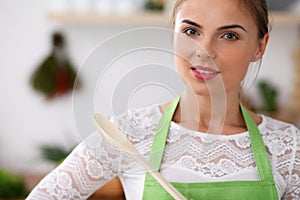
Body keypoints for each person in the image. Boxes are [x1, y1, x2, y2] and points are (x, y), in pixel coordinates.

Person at [27, 0, 300, 199]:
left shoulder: (288, 148)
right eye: (191, 32)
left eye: (229, 35)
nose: (203, 51)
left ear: (259, 47)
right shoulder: (128, 133)